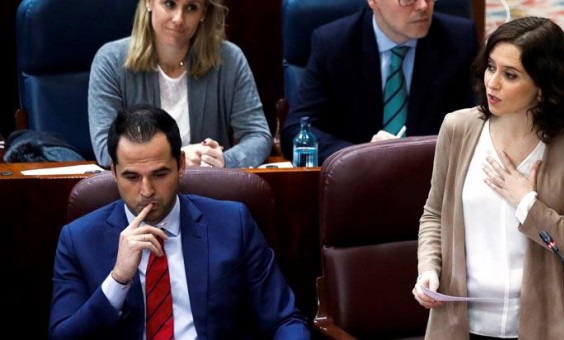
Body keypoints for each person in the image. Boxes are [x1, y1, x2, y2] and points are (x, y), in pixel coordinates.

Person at [412, 17, 564, 339]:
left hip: (547, 323)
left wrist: (528, 205)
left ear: (543, 86)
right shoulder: (458, 128)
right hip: (463, 324)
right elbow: (435, 214)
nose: (492, 83)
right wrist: (428, 269)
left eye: (510, 75)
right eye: (491, 67)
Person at [49, 104, 310, 339]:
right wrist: (117, 280)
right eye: (131, 177)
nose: (147, 190)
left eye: (160, 174)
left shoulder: (233, 223)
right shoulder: (78, 240)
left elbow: (284, 320)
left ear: (181, 165)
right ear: (114, 172)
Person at [281, 0, 479, 165]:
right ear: (373, 2)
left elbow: (480, 123)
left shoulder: (458, 40)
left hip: (432, 185)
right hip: (356, 186)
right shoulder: (334, 44)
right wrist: (360, 154)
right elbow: (295, 131)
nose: (422, 6)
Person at [89, 0, 272, 169]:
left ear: (203, 13)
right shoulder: (111, 61)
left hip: (208, 188)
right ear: (149, 2)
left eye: (191, 7)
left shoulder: (229, 59)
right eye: (170, 4)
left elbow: (258, 136)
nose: (178, 19)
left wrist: (224, 161)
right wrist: (177, 157)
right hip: (141, 192)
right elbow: (106, 149)